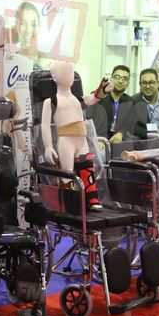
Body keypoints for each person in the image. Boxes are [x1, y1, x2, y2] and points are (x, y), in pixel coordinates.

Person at [41, 61, 112, 210]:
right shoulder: (51, 101)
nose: (68, 74)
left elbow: (92, 98)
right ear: (54, 76)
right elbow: (45, 125)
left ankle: (92, 199)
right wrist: (48, 146)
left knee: (87, 168)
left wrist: (102, 91)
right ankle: (69, 202)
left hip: (81, 139)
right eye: (64, 71)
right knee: (67, 172)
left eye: (70, 72)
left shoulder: (78, 99)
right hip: (65, 140)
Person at [86, 65, 140, 143]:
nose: (120, 81)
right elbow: (87, 121)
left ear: (128, 83)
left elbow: (130, 124)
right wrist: (97, 139)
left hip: (119, 143)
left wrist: (121, 133)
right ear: (111, 79)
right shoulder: (98, 97)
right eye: (117, 77)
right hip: (98, 141)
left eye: (124, 79)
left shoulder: (131, 102)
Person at [131, 68, 159, 145]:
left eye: (151, 82)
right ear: (140, 85)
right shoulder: (134, 101)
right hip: (148, 143)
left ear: (158, 83)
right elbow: (132, 126)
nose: (147, 86)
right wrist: (147, 134)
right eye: (144, 83)